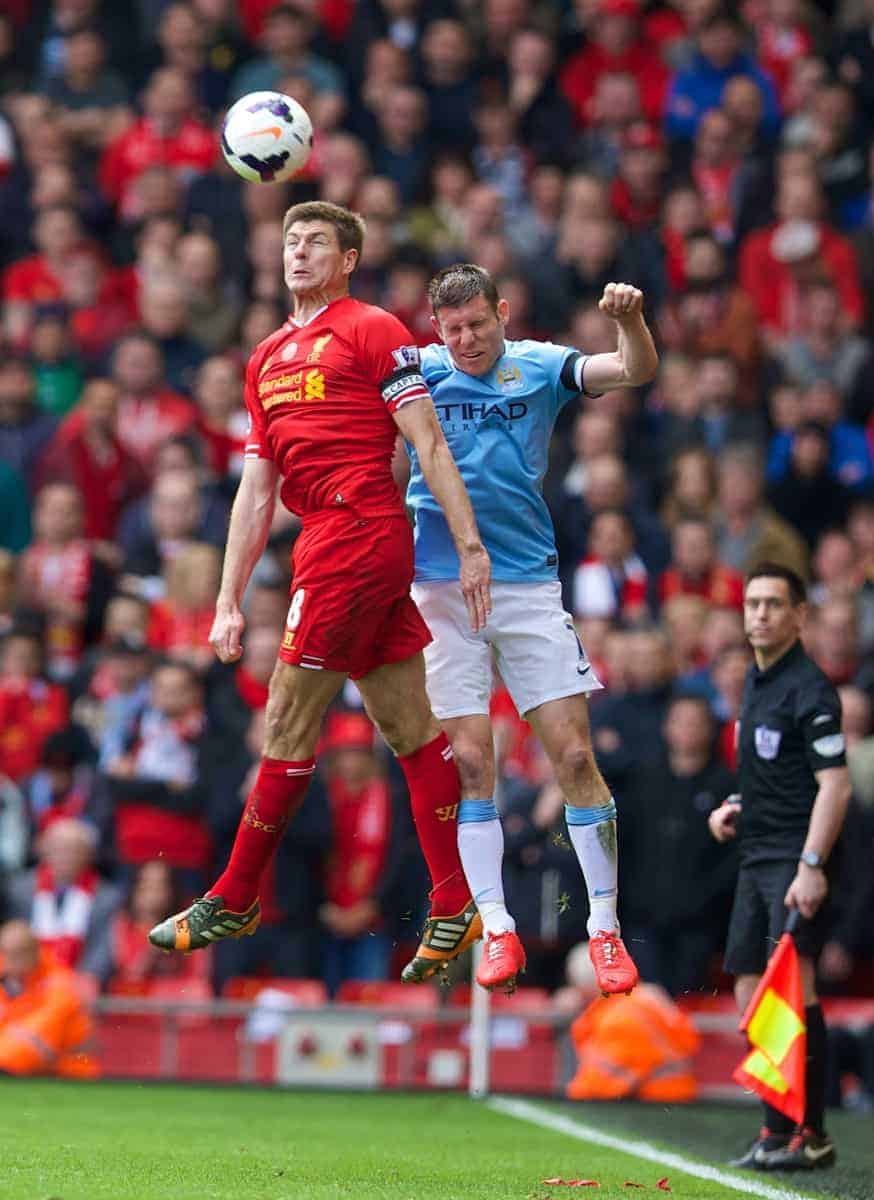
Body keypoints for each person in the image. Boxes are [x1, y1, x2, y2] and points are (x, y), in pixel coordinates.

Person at [148, 202, 492, 977]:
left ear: (348, 260)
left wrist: (469, 544)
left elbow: (427, 442)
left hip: (359, 529)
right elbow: (255, 490)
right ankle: (452, 900)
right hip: (323, 540)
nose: (297, 253)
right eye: (290, 242)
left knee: (288, 717)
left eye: (316, 244)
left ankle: (236, 892)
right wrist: (230, 597)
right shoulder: (265, 356)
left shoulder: (373, 329)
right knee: (408, 727)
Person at [405, 263, 658, 994]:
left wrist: (629, 319)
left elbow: (635, 369)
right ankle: (498, 929)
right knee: (473, 764)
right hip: (439, 592)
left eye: (477, 324)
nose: (466, 341)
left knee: (575, 757)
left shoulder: (541, 366)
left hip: (525, 587)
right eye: (452, 330)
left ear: (503, 313)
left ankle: (605, 931)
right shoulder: (414, 372)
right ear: (435, 330)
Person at [709, 563, 851, 1170]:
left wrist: (812, 865)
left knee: (796, 990)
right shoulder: (756, 681)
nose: (759, 614)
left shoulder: (811, 689)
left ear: (800, 616)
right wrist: (737, 805)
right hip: (754, 855)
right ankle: (775, 1129)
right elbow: (778, 773)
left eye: (773, 604)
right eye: (752, 604)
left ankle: (811, 1133)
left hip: (793, 857)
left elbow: (835, 786)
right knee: (749, 990)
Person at [0, 919, 99, 1078]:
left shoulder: (60, 983)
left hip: (71, 1075)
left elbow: (40, 1032)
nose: (10, 960)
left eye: (19, 952)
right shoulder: (9, 980)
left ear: (34, 951)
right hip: (27, 1073)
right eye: (6, 952)